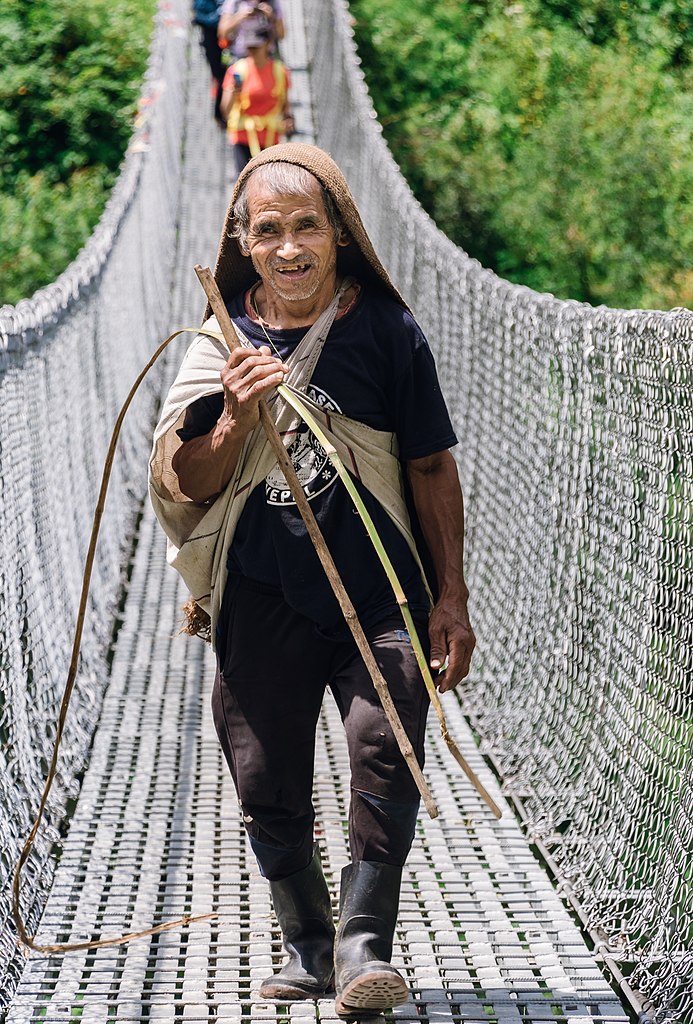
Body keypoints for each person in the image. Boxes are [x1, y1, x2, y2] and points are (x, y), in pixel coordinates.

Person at [149, 143, 476, 1016]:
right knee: (263, 775)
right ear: (242, 242)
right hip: (260, 596)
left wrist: (450, 599)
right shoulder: (220, 340)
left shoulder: (385, 331)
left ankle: (365, 945)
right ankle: (310, 945)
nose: (288, 246)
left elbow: (432, 465)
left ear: (338, 235)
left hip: (378, 595)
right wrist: (237, 415)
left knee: (385, 745)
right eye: (268, 231)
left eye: (306, 226)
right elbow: (187, 479)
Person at [220, 24, 293, 177]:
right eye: (249, 47)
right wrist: (233, 92)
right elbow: (225, 111)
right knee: (244, 182)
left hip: (270, 137)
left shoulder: (280, 72)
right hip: (242, 135)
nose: (251, 51)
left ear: (267, 44)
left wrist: (288, 120)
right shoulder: (236, 71)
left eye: (256, 46)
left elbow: (285, 105)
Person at [191, 0, 226, 127]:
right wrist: (221, 18)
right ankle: (220, 113)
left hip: (232, 37)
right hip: (213, 39)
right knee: (220, 77)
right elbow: (198, 14)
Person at [218, 0, 285, 59]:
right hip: (240, 57)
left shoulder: (272, 2)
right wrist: (240, 16)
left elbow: (281, 35)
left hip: (266, 57)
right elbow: (222, 33)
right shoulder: (234, 2)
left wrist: (271, 17)